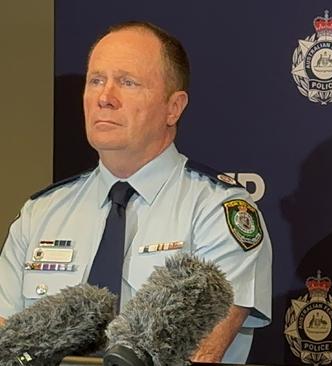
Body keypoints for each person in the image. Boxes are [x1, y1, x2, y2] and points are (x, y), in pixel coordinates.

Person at [0, 21, 271, 364]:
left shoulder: (219, 210)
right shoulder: (41, 213)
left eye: (128, 83)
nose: (105, 98)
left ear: (174, 107)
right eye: (96, 81)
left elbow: (204, 353)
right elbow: (7, 345)